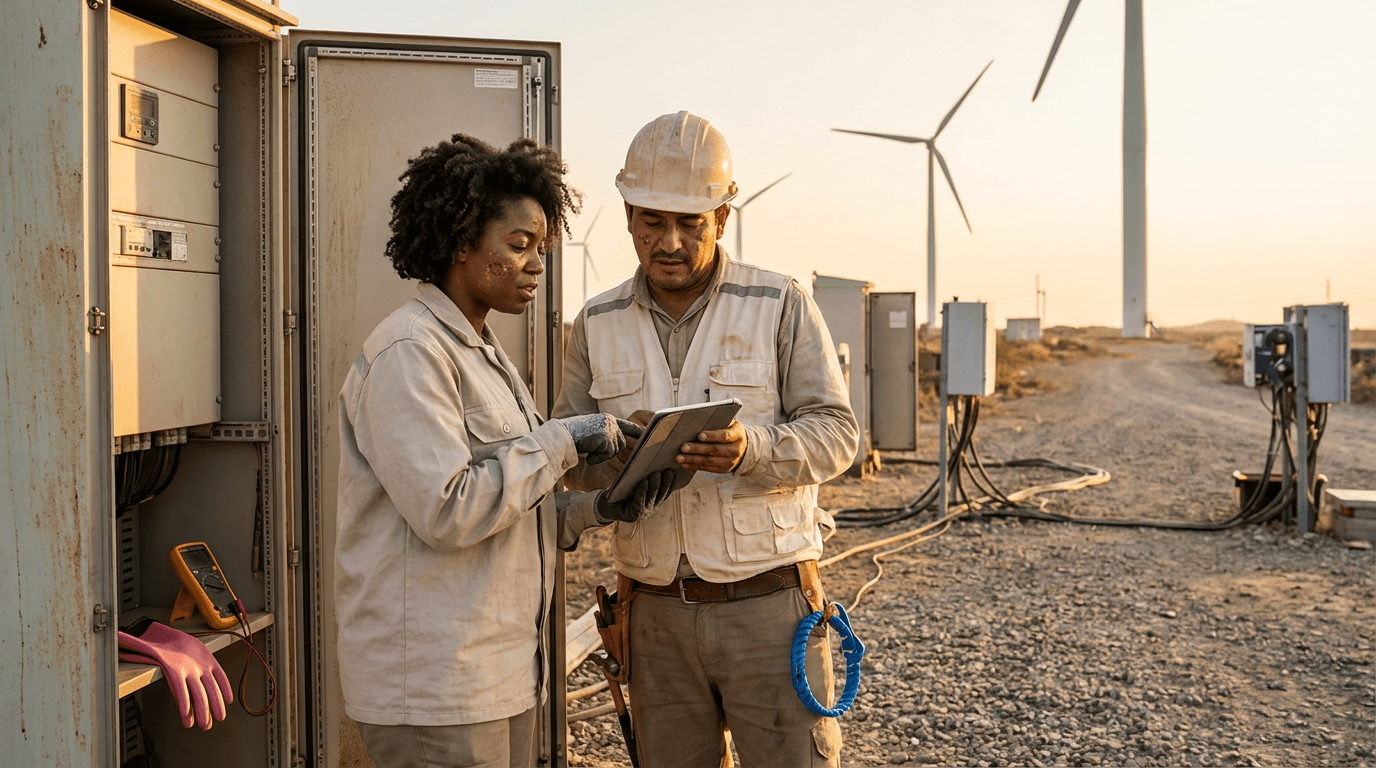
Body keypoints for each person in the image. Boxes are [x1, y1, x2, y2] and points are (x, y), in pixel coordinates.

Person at [335, 134, 674, 768]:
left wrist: (604, 504)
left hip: (498, 675)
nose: (537, 265)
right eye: (518, 246)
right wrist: (563, 438)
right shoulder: (411, 353)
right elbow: (449, 511)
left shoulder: (484, 354)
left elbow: (516, 506)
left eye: (540, 248)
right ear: (461, 242)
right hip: (437, 688)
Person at [554, 111, 860, 767]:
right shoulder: (595, 323)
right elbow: (568, 461)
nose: (669, 242)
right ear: (629, 213)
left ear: (723, 218)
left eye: (690, 224)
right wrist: (611, 455)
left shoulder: (779, 303)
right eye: (652, 221)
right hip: (654, 614)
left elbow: (837, 436)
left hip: (767, 605)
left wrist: (751, 450)